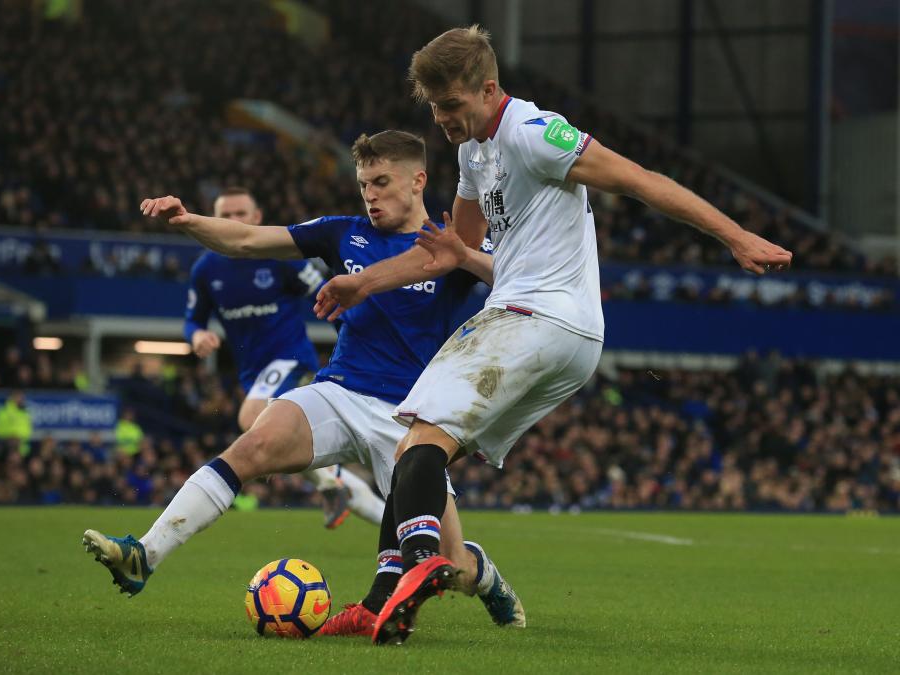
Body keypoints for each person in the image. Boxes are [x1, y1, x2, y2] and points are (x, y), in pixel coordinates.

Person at [313, 25, 794, 645]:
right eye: (434, 108)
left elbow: (639, 178)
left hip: (537, 316)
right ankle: (395, 596)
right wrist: (365, 283)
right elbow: (452, 252)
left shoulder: (535, 132)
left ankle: (424, 563)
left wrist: (735, 235)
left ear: (489, 89)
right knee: (416, 451)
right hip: (551, 330)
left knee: (420, 440)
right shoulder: (471, 154)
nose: (443, 119)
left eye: (453, 105)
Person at [81, 130, 523, 634]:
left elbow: (515, 277)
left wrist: (463, 256)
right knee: (253, 445)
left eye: (381, 182)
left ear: (418, 180)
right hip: (338, 390)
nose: (370, 195)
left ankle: (483, 574)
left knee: (452, 569)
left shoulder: (447, 242)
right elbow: (249, 240)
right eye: (363, 185)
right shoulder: (343, 233)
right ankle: (145, 554)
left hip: (413, 422)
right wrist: (188, 221)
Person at [184, 186, 383, 528]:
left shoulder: (281, 260)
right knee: (283, 443)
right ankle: (348, 493)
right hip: (252, 372)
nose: (233, 220)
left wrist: (353, 353)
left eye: (240, 214)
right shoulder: (206, 270)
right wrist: (198, 335)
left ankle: (332, 483)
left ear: (256, 218)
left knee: (250, 419)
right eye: (225, 215)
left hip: (291, 359)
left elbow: (333, 300)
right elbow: (193, 319)